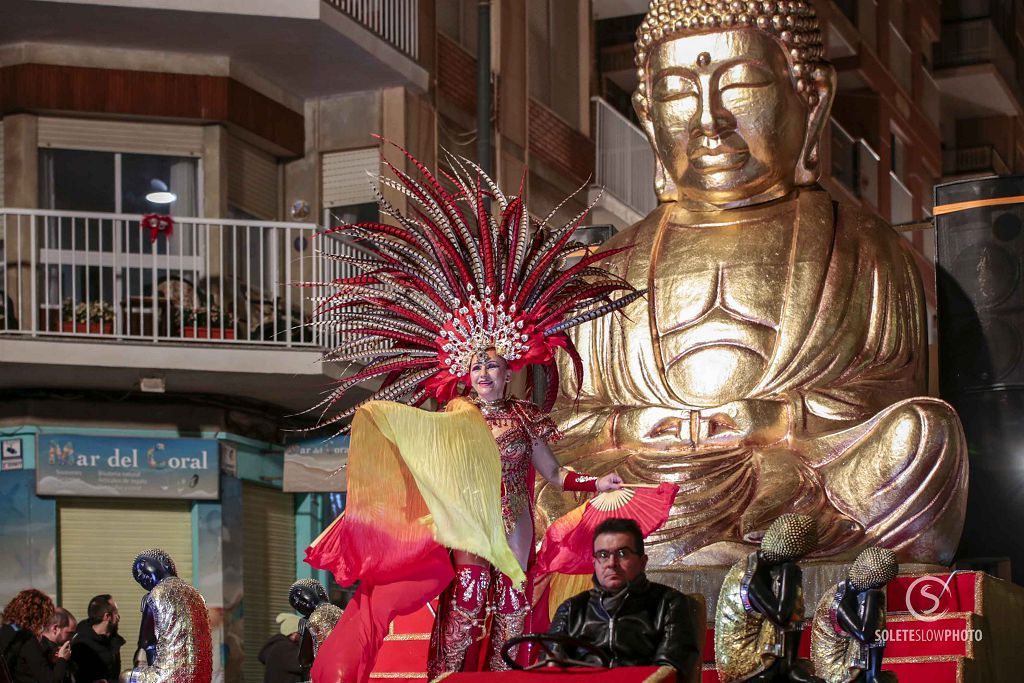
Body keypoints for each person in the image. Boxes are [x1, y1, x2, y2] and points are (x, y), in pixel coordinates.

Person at [535, 0, 967, 568]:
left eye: (740, 85)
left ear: (812, 99)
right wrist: (628, 424)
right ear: (645, 113)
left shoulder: (865, 246)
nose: (708, 121)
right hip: (641, 476)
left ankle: (751, 541)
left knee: (924, 436)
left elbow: (887, 392)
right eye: (678, 92)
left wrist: (779, 420)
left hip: (795, 475)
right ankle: (733, 543)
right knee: (515, 462)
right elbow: (571, 418)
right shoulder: (607, 267)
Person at [303, 148, 641, 683]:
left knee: (513, 620)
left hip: (516, 532)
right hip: (465, 532)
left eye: (495, 365)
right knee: (462, 616)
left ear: (510, 371)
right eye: (476, 365)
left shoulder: (526, 418)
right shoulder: (451, 419)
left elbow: (553, 474)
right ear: (465, 372)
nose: (485, 372)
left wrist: (595, 481)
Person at [547, 518, 699, 680]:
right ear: (595, 563)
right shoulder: (572, 608)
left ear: (642, 562)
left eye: (622, 553)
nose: (612, 563)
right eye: (603, 555)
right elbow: (550, 668)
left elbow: (670, 670)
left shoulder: (669, 604)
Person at [715, 514, 821, 682]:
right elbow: (781, 616)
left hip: (762, 644)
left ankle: (790, 664)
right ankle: (789, 666)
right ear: (794, 555)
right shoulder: (749, 576)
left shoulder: (765, 564)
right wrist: (790, 574)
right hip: (740, 656)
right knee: (785, 608)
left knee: (791, 601)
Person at [121, 548, 212, 683]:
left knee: (125, 677)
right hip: (203, 677)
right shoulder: (198, 596)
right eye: (138, 579)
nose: (141, 576)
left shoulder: (155, 594)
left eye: (142, 568)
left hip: (170, 676)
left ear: (165, 563)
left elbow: (146, 644)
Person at [811, 547, 899, 683]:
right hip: (834, 668)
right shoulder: (839, 602)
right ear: (875, 582)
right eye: (881, 584)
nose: (882, 587)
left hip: (849, 651)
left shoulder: (850, 590)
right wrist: (872, 597)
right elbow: (865, 635)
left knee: (874, 617)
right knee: (875, 618)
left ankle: (873, 675)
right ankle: (873, 677)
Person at [1, 589, 56, 681]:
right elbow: (48, 679)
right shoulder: (26, 639)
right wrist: (62, 660)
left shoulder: (4, 631)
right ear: (38, 617)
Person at [12, 606, 76, 683]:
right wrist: (62, 660)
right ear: (55, 629)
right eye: (70, 633)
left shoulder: (48, 647)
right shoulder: (34, 648)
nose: (71, 638)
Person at [72, 594, 125, 683]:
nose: (118, 617)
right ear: (107, 616)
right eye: (116, 613)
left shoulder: (112, 640)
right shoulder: (81, 644)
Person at [258, 613, 303, 683]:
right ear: (294, 634)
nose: (302, 637)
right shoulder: (285, 648)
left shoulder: (277, 646)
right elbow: (304, 665)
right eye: (300, 633)